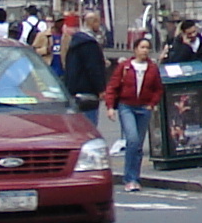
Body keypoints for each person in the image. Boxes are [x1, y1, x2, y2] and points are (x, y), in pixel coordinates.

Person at [102, 34, 162, 191]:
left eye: (147, 48)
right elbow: (113, 87)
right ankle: (129, 178)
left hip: (144, 107)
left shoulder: (152, 68)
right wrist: (110, 107)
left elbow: (158, 89)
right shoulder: (125, 67)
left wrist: (151, 104)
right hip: (126, 106)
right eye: (142, 47)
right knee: (132, 139)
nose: (145, 51)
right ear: (135, 49)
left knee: (138, 145)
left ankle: (135, 177)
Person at [59, 17, 109, 121]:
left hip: (74, 89)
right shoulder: (90, 44)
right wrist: (100, 88)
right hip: (88, 91)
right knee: (89, 125)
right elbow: (93, 68)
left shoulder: (75, 42)